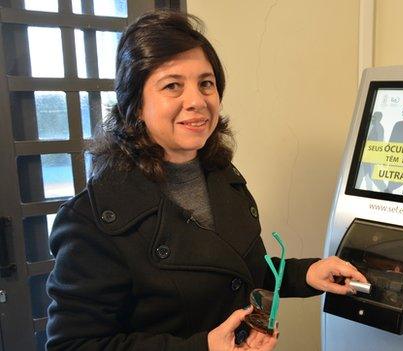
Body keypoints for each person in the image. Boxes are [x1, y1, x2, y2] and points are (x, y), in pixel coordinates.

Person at [45, 10, 366, 351]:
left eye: (206, 84)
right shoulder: (92, 219)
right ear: (135, 104)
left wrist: (306, 274)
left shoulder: (222, 175)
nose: (197, 101)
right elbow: (72, 345)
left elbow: (240, 269)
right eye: (172, 86)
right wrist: (203, 348)